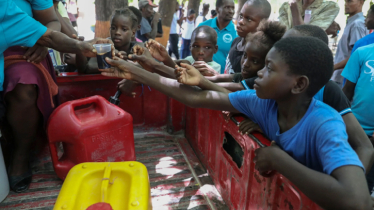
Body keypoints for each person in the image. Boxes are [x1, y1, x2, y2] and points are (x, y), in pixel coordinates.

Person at [100, 37, 372, 210]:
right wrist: (139, 72)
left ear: (299, 84)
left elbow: (356, 200)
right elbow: (196, 97)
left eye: (270, 68)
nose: (260, 74)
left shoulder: (325, 123)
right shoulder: (262, 102)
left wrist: (278, 159)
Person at [235, 24, 374, 179]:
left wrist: (352, 186)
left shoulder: (328, 94)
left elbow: (364, 147)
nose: (282, 48)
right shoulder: (274, 86)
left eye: (291, 46)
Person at [0, 0, 112, 193]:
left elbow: (50, 35)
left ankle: (21, 155)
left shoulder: (5, 11)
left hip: (28, 49)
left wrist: (81, 46)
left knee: (24, 83)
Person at [208, 20, 285, 84]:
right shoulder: (245, 74)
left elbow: (230, 90)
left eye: (254, 61)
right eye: (245, 56)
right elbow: (220, 78)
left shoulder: (257, 81)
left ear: (266, 63)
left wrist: (200, 80)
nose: (245, 63)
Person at [342, 43, 374, 194]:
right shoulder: (362, 53)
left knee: (364, 185)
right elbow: (347, 92)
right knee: (343, 174)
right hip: (354, 129)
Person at [78, 8, 142, 74]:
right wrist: (114, 61)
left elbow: (147, 69)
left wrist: (125, 63)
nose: (117, 32)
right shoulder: (104, 45)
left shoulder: (137, 48)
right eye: (113, 28)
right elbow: (87, 68)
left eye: (124, 29)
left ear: (133, 33)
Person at [144, 26, 221, 75]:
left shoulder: (214, 68)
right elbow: (175, 69)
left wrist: (166, 59)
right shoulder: (190, 59)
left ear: (215, 49)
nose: (201, 52)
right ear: (190, 47)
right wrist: (164, 57)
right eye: (196, 46)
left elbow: (184, 74)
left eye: (207, 47)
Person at [224, 0, 271, 74]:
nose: (240, 21)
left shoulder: (257, 53)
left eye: (249, 19)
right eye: (241, 16)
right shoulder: (236, 41)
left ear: (263, 23)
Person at [332, 0, 369, 88]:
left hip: (344, 79)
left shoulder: (357, 24)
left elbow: (357, 55)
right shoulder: (353, 22)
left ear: (361, 2)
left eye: (350, 1)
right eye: (345, 1)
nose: (346, 4)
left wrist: (333, 67)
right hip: (341, 77)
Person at [198, 0, 237, 73]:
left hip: (222, 80)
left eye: (233, 8)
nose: (231, 11)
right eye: (227, 7)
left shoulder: (236, 32)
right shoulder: (202, 27)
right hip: (200, 75)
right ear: (217, 9)